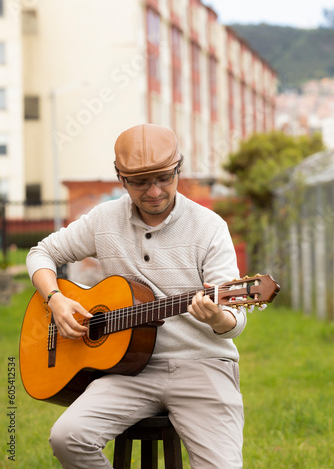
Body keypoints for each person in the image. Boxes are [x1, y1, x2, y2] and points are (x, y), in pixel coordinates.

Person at [26, 123, 246, 469]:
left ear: (178, 169)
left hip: (203, 365)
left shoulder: (209, 227)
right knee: (67, 437)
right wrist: (55, 299)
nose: (155, 191)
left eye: (164, 178)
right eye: (140, 182)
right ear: (121, 178)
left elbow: (236, 321)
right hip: (127, 372)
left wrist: (218, 317)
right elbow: (41, 253)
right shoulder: (104, 219)